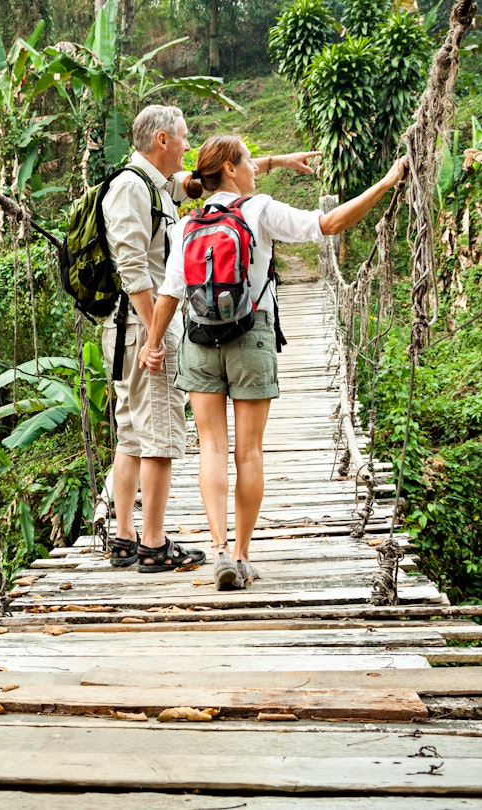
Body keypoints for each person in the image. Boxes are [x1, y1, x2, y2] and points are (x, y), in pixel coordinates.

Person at [139, 135, 407, 589]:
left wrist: (152, 343)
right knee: (249, 452)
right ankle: (242, 555)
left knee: (212, 448)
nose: (255, 170)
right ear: (229, 167)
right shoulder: (258, 210)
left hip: (200, 341)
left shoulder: (187, 225)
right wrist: (386, 182)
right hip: (251, 336)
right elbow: (330, 223)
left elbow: (170, 293)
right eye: (248, 161)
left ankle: (219, 548)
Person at [102, 108, 321, 574]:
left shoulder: (158, 185)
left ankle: (125, 538)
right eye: (182, 138)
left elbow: (217, 177)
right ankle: (153, 546)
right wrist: (154, 337)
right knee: (158, 434)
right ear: (162, 139)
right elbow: (135, 271)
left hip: (152, 328)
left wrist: (277, 162)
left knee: (133, 435)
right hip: (143, 325)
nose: (187, 146)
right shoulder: (129, 187)